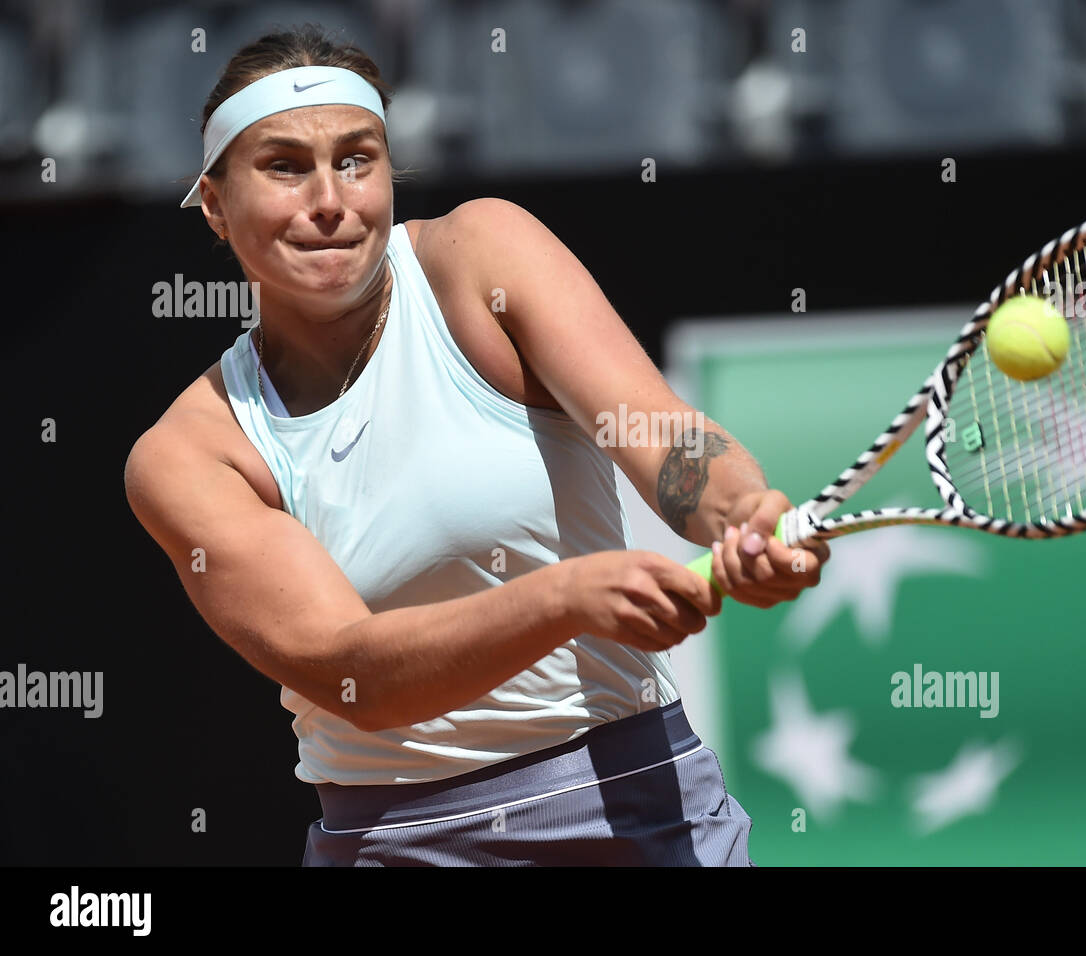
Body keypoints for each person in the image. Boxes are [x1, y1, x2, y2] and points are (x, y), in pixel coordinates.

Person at [124, 25, 830, 866]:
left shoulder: (482, 254)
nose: (331, 200)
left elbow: (661, 434)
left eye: (358, 159)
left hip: (639, 811)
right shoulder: (189, 454)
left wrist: (739, 511)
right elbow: (359, 677)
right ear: (214, 203)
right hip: (394, 847)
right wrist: (563, 599)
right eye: (285, 166)